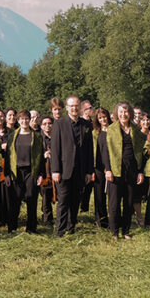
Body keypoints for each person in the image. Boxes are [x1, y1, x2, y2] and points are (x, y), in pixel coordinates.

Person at [49, 96, 94, 236]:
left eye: (76, 105)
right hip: (64, 170)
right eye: (71, 106)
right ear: (67, 108)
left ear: (79, 107)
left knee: (75, 200)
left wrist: (89, 171)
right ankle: (60, 230)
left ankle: (71, 226)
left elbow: (89, 151)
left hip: (80, 170)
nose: (74, 108)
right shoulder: (59, 123)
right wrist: (55, 170)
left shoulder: (86, 125)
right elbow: (55, 148)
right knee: (63, 200)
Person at [103, 103, 144, 239]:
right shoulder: (111, 129)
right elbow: (106, 152)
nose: (123, 114)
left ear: (130, 113)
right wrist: (108, 170)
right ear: (117, 113)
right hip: (115, 170)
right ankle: (114, 232)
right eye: (121, 112)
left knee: (128, 202)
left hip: (131, 169)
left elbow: (139, 152)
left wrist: (140, 171)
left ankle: (125, 231)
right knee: (114, 204)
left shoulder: (136, 130)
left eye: (126, 112)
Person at [7, 110, 44, 233]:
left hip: (31, 171)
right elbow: (8, 156)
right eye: (21, 119)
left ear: (30, 120)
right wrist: (7, 174)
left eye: (26, 119)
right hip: (16, 171)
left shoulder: (37, 136)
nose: (24, 121)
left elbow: (41, 157)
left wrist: (41, 174)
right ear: (18, 120)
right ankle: (12, 227)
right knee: (15, 200)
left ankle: (31, 228)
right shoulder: (12, 136)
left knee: (31, 199)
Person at [90, 109, 110, 229]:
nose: (103, 120)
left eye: (104, 117)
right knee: (99, 195)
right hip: (98, 167)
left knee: (112, 195)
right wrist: (91, 170)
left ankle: (113, 218)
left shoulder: (114, 131)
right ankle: (101, 220)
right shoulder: (95, 133)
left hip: (112, 167)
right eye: (100, 118)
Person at [39, 115, 57, 226]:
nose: (47, 126)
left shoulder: (57, 137)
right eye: (44, 124)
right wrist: (43, 155)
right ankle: (47, 218)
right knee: (45, 194)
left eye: (50, 123)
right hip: (44, 170)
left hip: (55, 169)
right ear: (41, 126)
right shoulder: (38, 138)